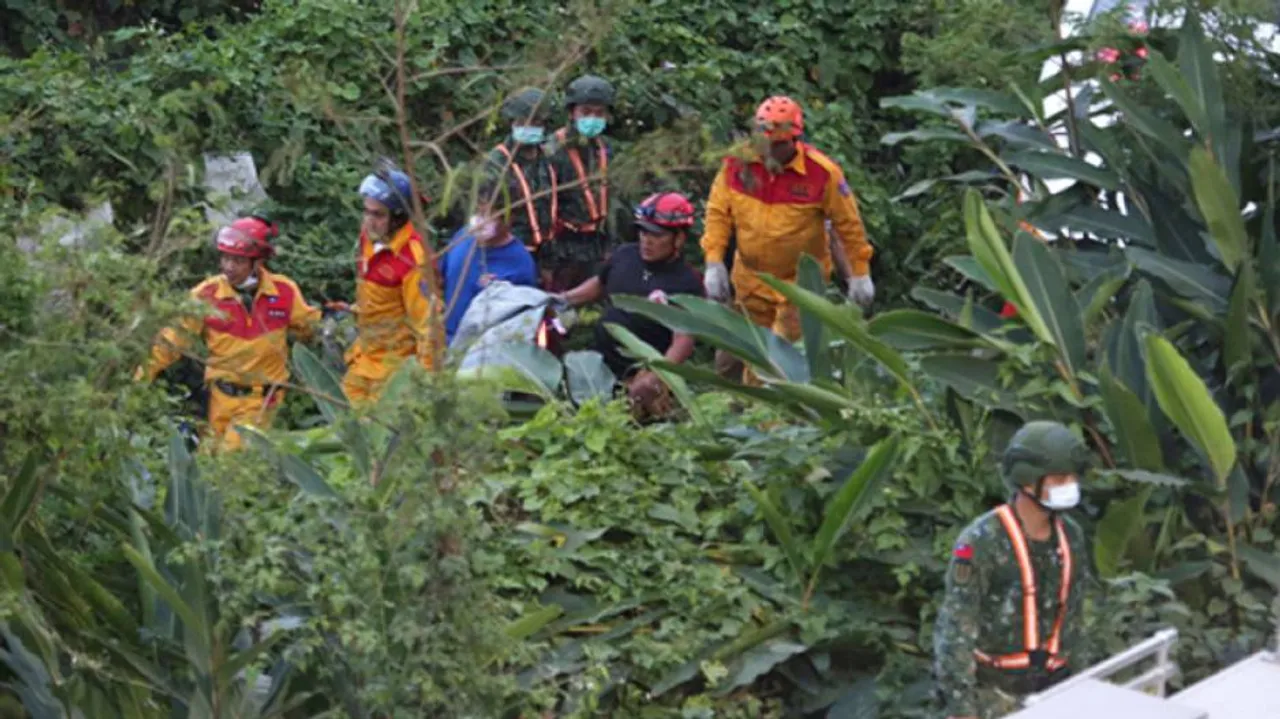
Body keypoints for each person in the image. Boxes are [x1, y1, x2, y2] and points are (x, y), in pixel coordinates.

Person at [699, 95, 875, 380]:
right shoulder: (737, 163)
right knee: (731, 359)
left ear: (795, 140)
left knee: (775, 364)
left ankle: (769, 419)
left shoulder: (822, 173)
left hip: (799, 286)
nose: (772, 152)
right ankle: (731, 414)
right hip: (750, 279)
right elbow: (719, 213)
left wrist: (860, 272)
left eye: (779, 145)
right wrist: (714, 261)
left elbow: (848, 225)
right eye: (766, 143)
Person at [933, 420, 1095, 719]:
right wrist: (963, 709)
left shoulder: (1071, 536)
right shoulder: (982, 541)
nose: (1069, 485)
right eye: (1059, 478)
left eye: (1072, 477)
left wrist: (1084, 689)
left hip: (1054, 689)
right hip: (995, 695)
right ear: (1027, 480)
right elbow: (956, 629)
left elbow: (1075, 622)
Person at [136, 215, 320, 451]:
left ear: (257, 262)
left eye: (238, 261)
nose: (229, 267)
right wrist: (140, 378)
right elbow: (171, 341)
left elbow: (309, 327)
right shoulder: (206, 294)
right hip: (218, 398)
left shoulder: (284, 291)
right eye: (225, 258)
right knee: (207, 463)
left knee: (232, 458)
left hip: (261, 400)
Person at [556, 192, 702, 419]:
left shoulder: (686, 281)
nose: (647, 240)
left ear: (679, 238)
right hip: (598, 361)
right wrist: (560, 299)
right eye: (643, 232)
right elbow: (598, 284)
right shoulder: (625, 255)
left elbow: (683, 340)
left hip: (641, 371)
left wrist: (657, 375)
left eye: (656, 234)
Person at [333, 167, 441, 404]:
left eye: (378, 215)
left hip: (394, 374)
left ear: (398, 217)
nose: (369, 221)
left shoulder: (413, 258)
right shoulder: (369, 239)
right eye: (366, 212)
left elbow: (428, 326)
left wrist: (425, 384)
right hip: (363, 359)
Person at [542, 74, 616, 292]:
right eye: (586, 112)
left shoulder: (605, 148)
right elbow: (544, 208)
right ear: (572, 113)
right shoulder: (552, 151)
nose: (593, 118)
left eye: (599, 113)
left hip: (597, 244)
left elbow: (612, 200)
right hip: (564, 247)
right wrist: (546, 259)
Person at [439, 212, 539, 345]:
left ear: (508, 219)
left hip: (479, 352)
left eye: (489, 214)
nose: (480, 222)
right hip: (440, 342)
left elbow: (517, 326)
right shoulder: (462, 237)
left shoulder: (520, 264)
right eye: (478, 211)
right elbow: (438, 279)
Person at [483, 87, 559, 252]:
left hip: (547, 250)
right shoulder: (497, 162)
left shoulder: (548, 157)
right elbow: (488, 213)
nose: (528, 127)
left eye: (536, 122)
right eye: (522, 121)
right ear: (512, 121)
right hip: (510, 251)